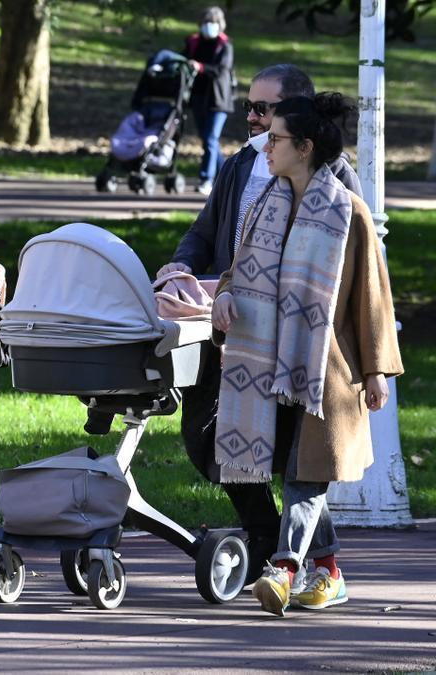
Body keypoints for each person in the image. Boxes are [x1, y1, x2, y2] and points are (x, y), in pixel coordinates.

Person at [155, 64, 363, 586]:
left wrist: (375, 365)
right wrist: (184, 267)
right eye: (248, 106)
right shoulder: (239, 166)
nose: (249, 118)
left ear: (297, 120)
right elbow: (208, 234)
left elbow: (363, 272)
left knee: (299, 455)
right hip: (233, 330)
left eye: (262, 110)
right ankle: (269, 537)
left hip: (302, 342)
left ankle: (302, 562)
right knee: (212, 440)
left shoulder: (336, 180)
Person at [210, 93, 403, 616]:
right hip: (267, 365)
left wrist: (376, 370)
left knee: (305, 471)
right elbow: (237, 267)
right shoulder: (264, 204)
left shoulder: (348, 212)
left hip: (328, 371)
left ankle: (284, 567)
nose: (265, 146)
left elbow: (373, 294)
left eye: (275, 138)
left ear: (305, 146)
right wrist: (225, 294)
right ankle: (331, 570)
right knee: (297, 469)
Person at [183, 6, 235, 196]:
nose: (209, 26)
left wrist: (201, 67)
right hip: (198, 98)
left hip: (218, 100)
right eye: (206, 22)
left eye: (212, 22)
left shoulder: (225, 46)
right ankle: (227, 177)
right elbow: (184, 59)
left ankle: (206, 179)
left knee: (211, 138)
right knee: (208, 141)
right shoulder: (194, 43)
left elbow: (222, 70)